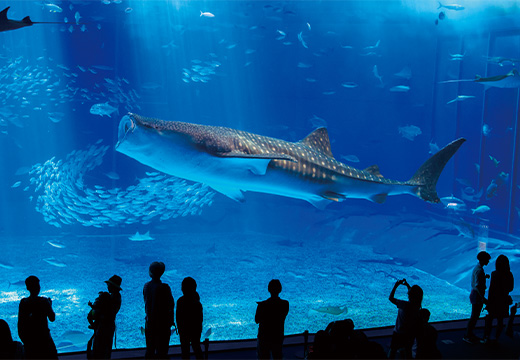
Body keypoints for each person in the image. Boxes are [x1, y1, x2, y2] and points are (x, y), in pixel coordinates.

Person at [17, 275, 57, 359]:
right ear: (39, 287)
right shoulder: (44, 301)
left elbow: (20, 324)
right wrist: (50, 305)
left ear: (27, 288)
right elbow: (52, 318)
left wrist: (25, 341)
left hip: (30, 342)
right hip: (45, 340)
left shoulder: (23, 302)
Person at [143, 261, 175, 358]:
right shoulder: (165, 287)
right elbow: (171, 305)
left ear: (150, 272)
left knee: (150, 350)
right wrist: (171, 320)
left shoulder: (146, 286)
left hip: (150, 323)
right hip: (163, 324)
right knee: (162, 351)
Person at [87, 275, 122, 359]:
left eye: (109, 285)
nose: (107, 286)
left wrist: (94, 306)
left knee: (99, 349)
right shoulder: (117, 296)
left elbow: (103, 311)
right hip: (109, 326)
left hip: (103, 327)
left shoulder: (109, 298)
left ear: (113, 286)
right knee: (106, 349)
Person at [482, 254, 514, 343]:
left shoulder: (494, 274)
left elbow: (491, 290)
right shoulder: (509, 274)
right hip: (504, 300)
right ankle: (496, 338)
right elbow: (511, 288)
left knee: (490, 319)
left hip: (494, 300)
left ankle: (486, 337)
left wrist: (488, 302)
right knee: (500, 320)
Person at [388, 279, 423, 359]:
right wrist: (407, 285)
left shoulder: (404, 305)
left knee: (393, 350)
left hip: (398, 332)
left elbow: (391, 298)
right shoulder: (417, 306)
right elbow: (414, 295)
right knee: (408, 351)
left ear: (409, 295)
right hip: (409, 333)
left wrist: (396, 285)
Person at [255, 279, 289, 360]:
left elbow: (257, 320)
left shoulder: (262, 305)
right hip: (278, 335)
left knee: (263, 357)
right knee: (277, 356)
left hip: (264, 336)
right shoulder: (285, 304)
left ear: (268, 289)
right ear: (280, 289)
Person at [463, 251, 491, 344]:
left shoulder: (478, 269)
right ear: (483, 259)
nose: (488, 261)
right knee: (474, 316)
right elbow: (478, 286)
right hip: (477, 296)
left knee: (474, 316)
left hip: (475, 294)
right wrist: (483, 298)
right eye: (487, 259)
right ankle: (467, 335)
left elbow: (477, 281)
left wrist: (484, 276)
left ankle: (469, 334)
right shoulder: (479, 270)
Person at [176, 277, 203, 359]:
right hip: (195, 330)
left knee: (185, 351)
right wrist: (199, 329)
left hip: (184, 330)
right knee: (197, 348)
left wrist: (179, 329)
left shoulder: (180, 301)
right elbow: (200, 319)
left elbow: (178, 317)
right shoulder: (197, 303)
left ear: (182, 288)